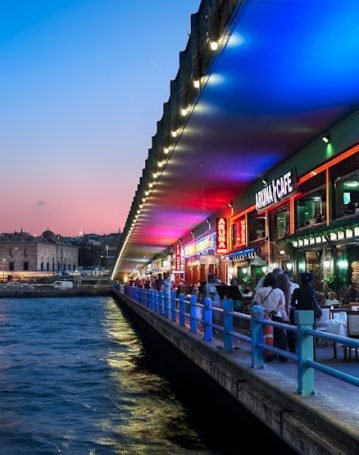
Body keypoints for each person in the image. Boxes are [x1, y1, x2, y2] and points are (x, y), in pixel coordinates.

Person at [254, 273, 289, 361]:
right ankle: (282, 355)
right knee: (280, 335)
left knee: (267, 335)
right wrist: (275, 310)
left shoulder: (260, 291)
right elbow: (282, 304)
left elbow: (257, 302)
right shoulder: (279, 291)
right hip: (277, 315)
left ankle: (268, 355)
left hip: (264, 316)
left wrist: (265, 310)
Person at [290, 272, 322, 353]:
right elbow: (315, 302)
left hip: (301, 313)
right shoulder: (312, 290)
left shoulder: (297, 290)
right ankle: (312, 352)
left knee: (301, 334)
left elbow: (292, 304)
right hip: (311, 313)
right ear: (310, 281)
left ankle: (302, 352)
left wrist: (299, 306)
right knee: (311, 333)